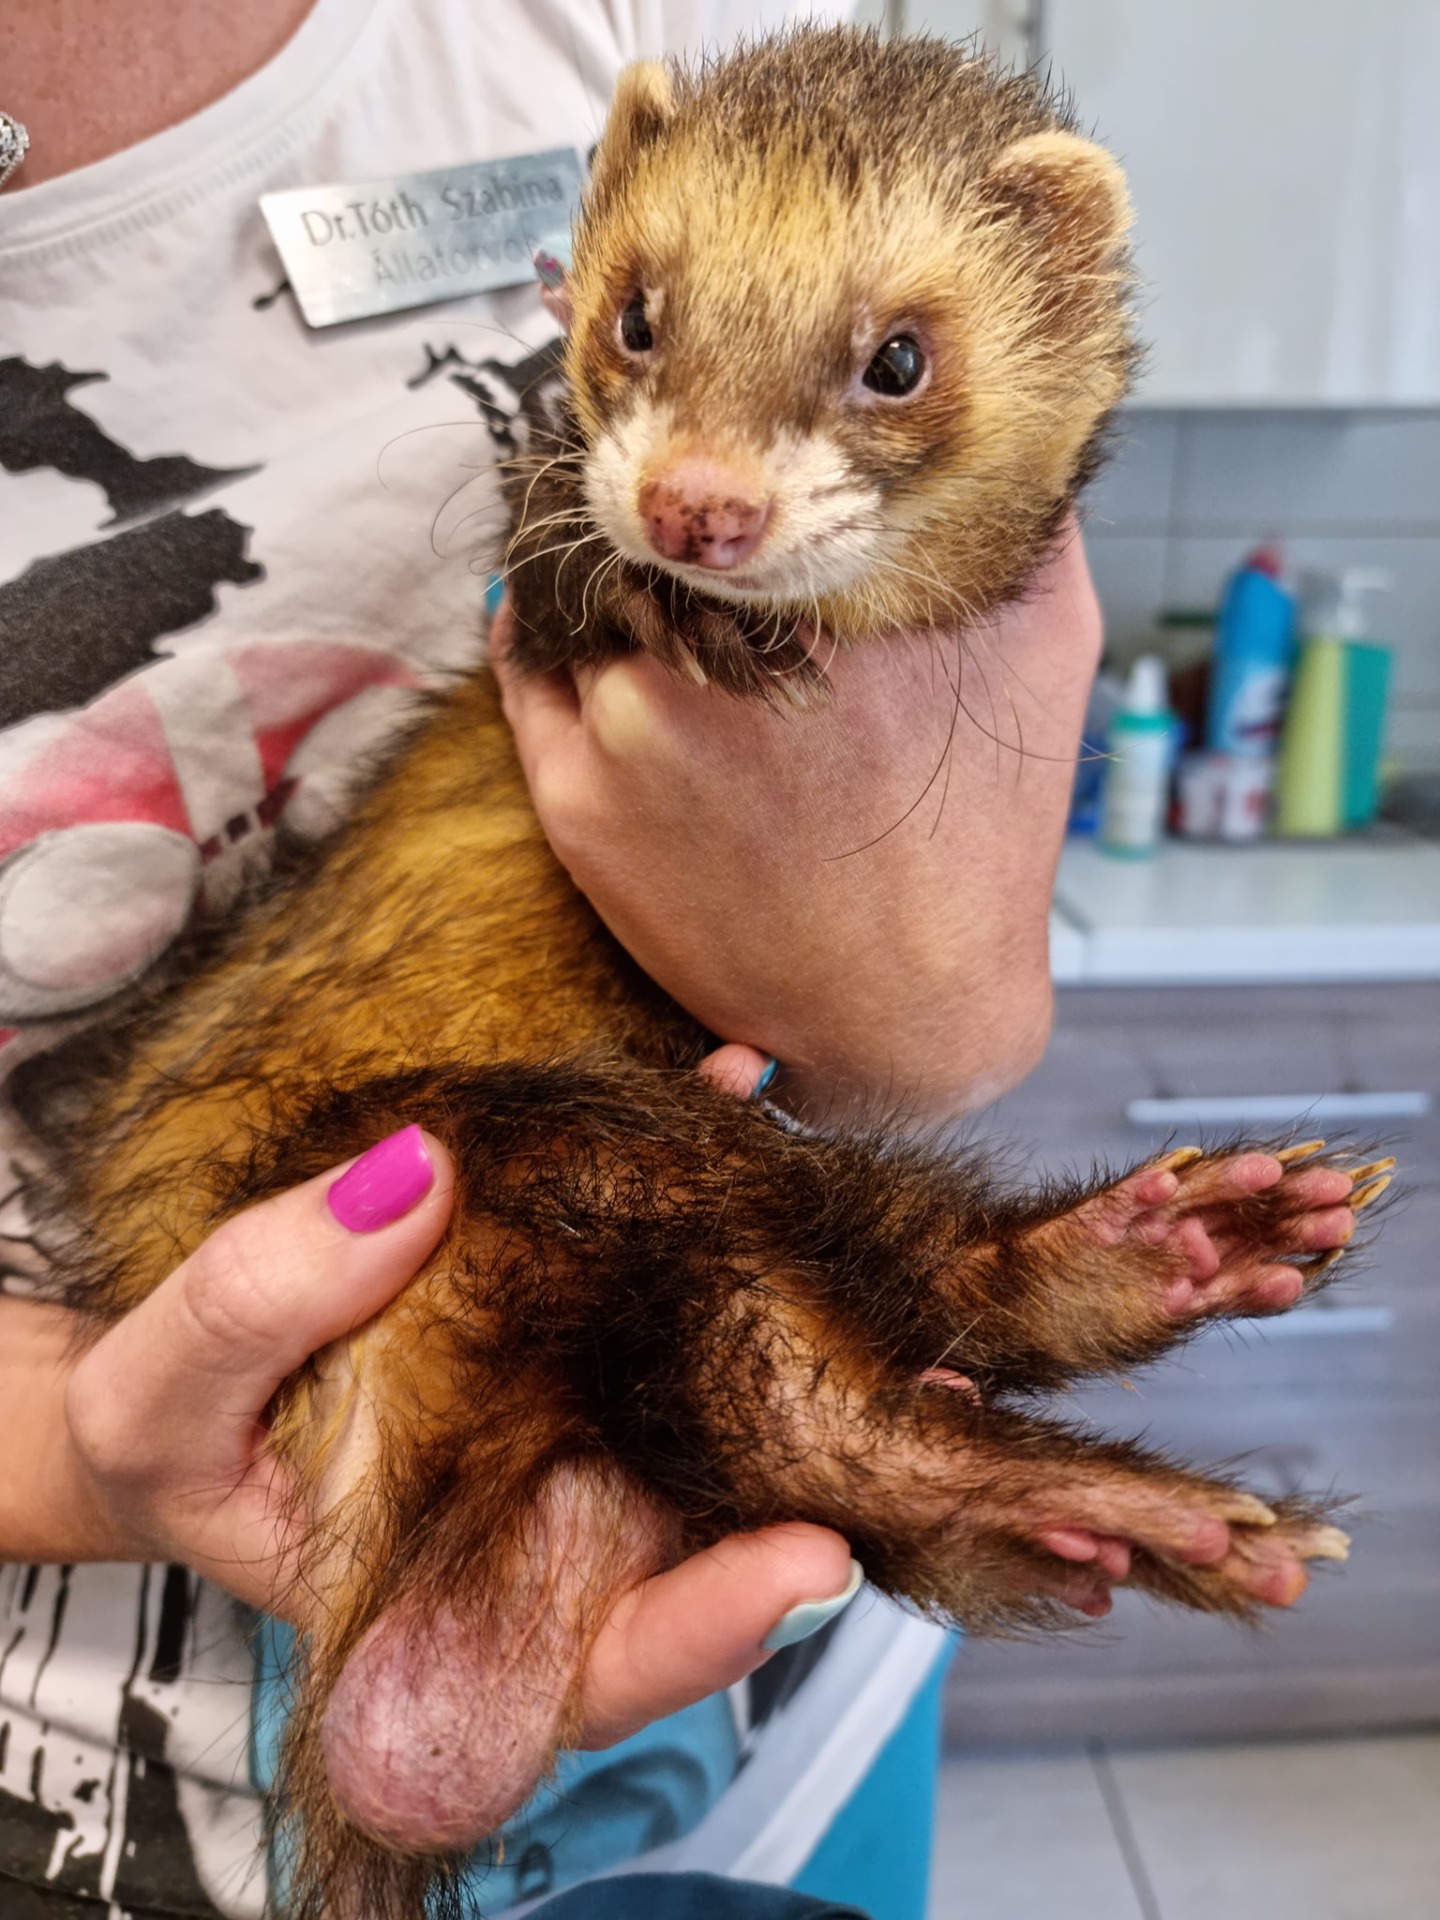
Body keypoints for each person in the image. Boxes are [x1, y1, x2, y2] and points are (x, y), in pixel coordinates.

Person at [0, 2, 1103, 1916]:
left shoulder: (646, 28)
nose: (707, 486)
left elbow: (939, 1005)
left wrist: (926, 1010)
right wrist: (93, 1457)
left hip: (765, 1651)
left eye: (888, 370)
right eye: (643, 335)